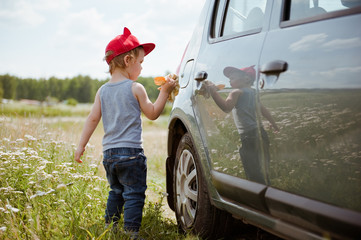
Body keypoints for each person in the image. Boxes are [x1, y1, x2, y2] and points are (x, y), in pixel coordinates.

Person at [74, 27, 176, 239]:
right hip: (131, 154)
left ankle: (110, 228)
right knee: (134, 195)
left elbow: (92, 119)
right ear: (128, 60)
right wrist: (165, 92)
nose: (141, 67)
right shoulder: (135, 88)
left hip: (109, 155)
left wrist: (81, 146)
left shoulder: (102, 91)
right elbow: (153, 113)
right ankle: (131, 233)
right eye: (140, 62)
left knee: (116, 192)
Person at [205, 65, 278, 184]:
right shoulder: (253, 92)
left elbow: (226, 107)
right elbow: (262, 109)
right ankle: (267, 188)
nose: (229, 80)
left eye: (232, 78)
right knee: (263, 166)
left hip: (248, 136)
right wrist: (273, 123)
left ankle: (256, 193)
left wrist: (213, 92)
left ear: (247, 79)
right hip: (261, 133)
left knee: (252, 169)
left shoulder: (236, 92)